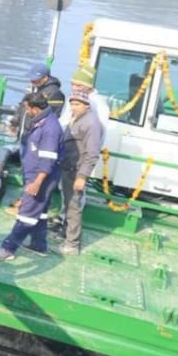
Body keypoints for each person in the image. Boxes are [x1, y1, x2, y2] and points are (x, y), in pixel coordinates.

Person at [0, 93, 61, 261]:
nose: (26, 112)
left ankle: (8, 249)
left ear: (35, 108)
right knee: (40, 212)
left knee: (26, 214)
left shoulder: (50, 128)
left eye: (27, 108)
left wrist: (37, 183)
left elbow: (47, 160)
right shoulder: (43, 121)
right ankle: (39, 244)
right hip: (35, 176)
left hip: (40, 179)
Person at [57, 88, 104, 255]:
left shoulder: (91, 123)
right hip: (67, 166)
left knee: (73, 207)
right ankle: (66, 234)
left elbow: (92, 154)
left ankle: (72, 244)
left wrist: (82, 176)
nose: (73, 107)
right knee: (67, 203)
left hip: (75, 171)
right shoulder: (76, 118)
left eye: (77, 104)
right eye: (72, 104)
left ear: (86, 105)